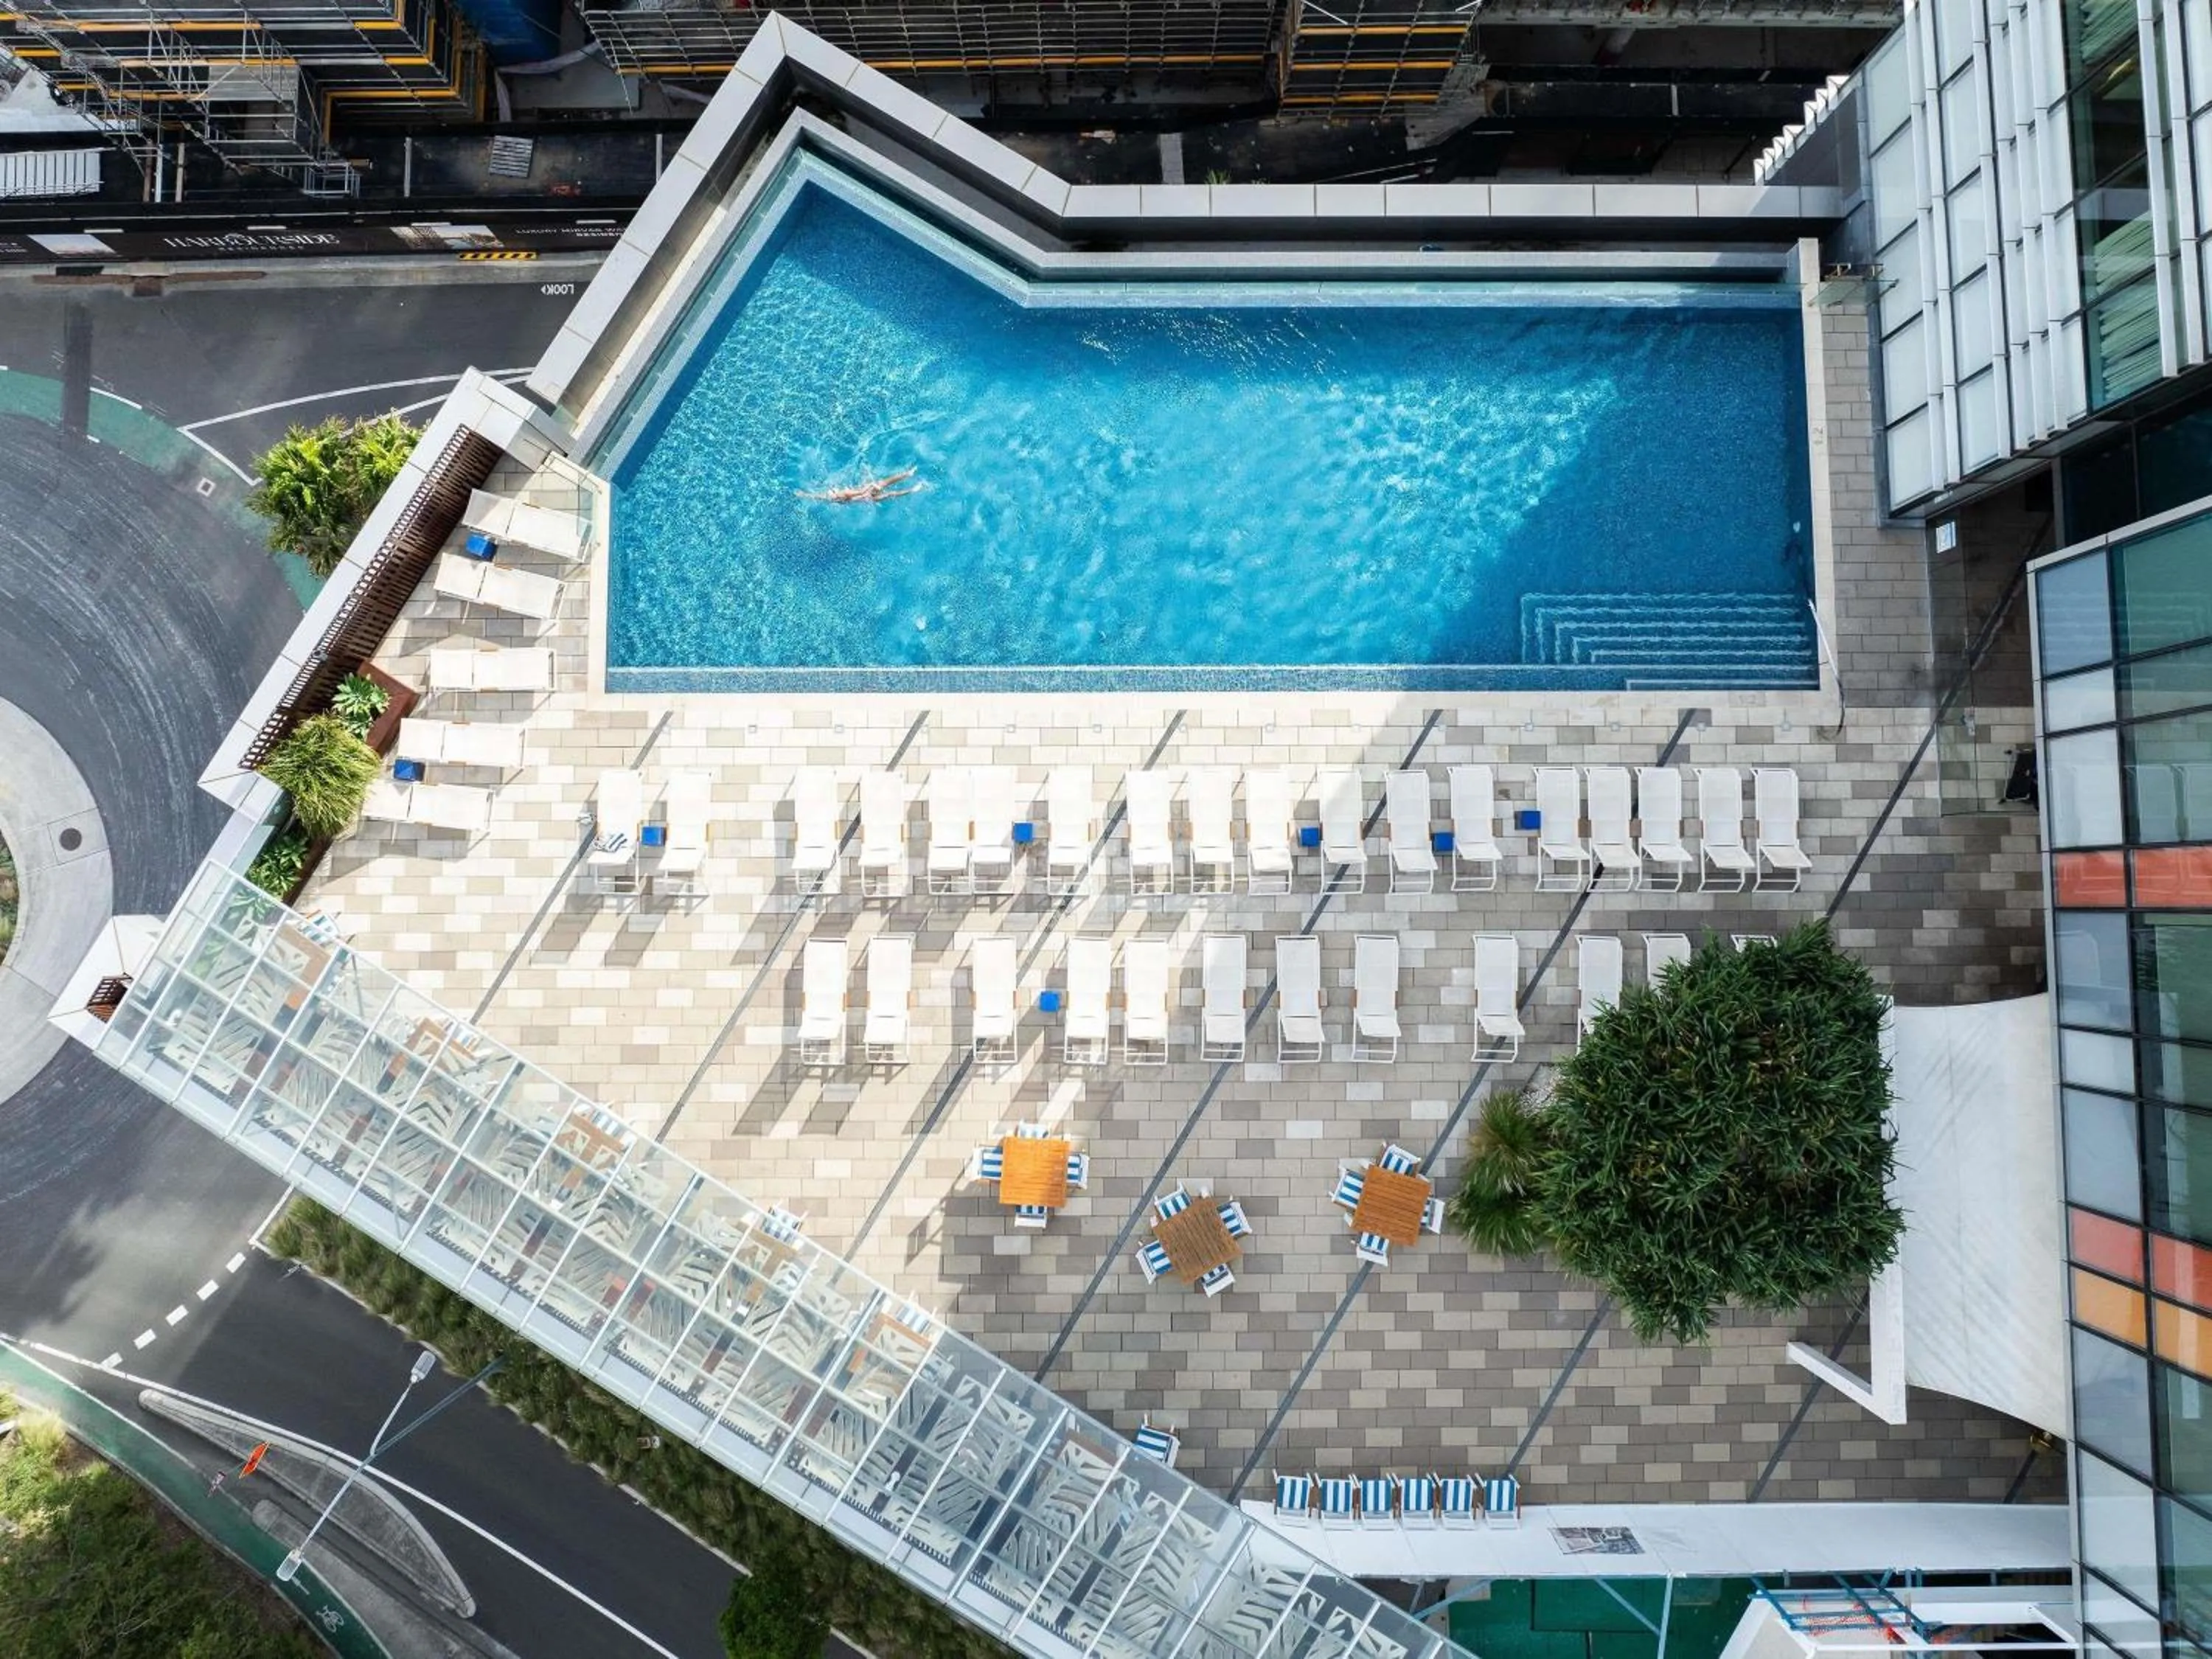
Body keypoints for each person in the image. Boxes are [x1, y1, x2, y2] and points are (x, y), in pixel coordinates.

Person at [798, 467, 925, 504]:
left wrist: (805, 495)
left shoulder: (834, 499)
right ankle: (908, 475)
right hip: (868, 494)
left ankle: (912, 489)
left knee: (891, 494)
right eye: (833, 490)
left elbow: (819, 497)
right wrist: (873, 486)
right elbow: (862, 491)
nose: (833, 489)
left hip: (868, 499)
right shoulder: (844, 493)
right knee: (886, 483)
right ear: (837, 494)